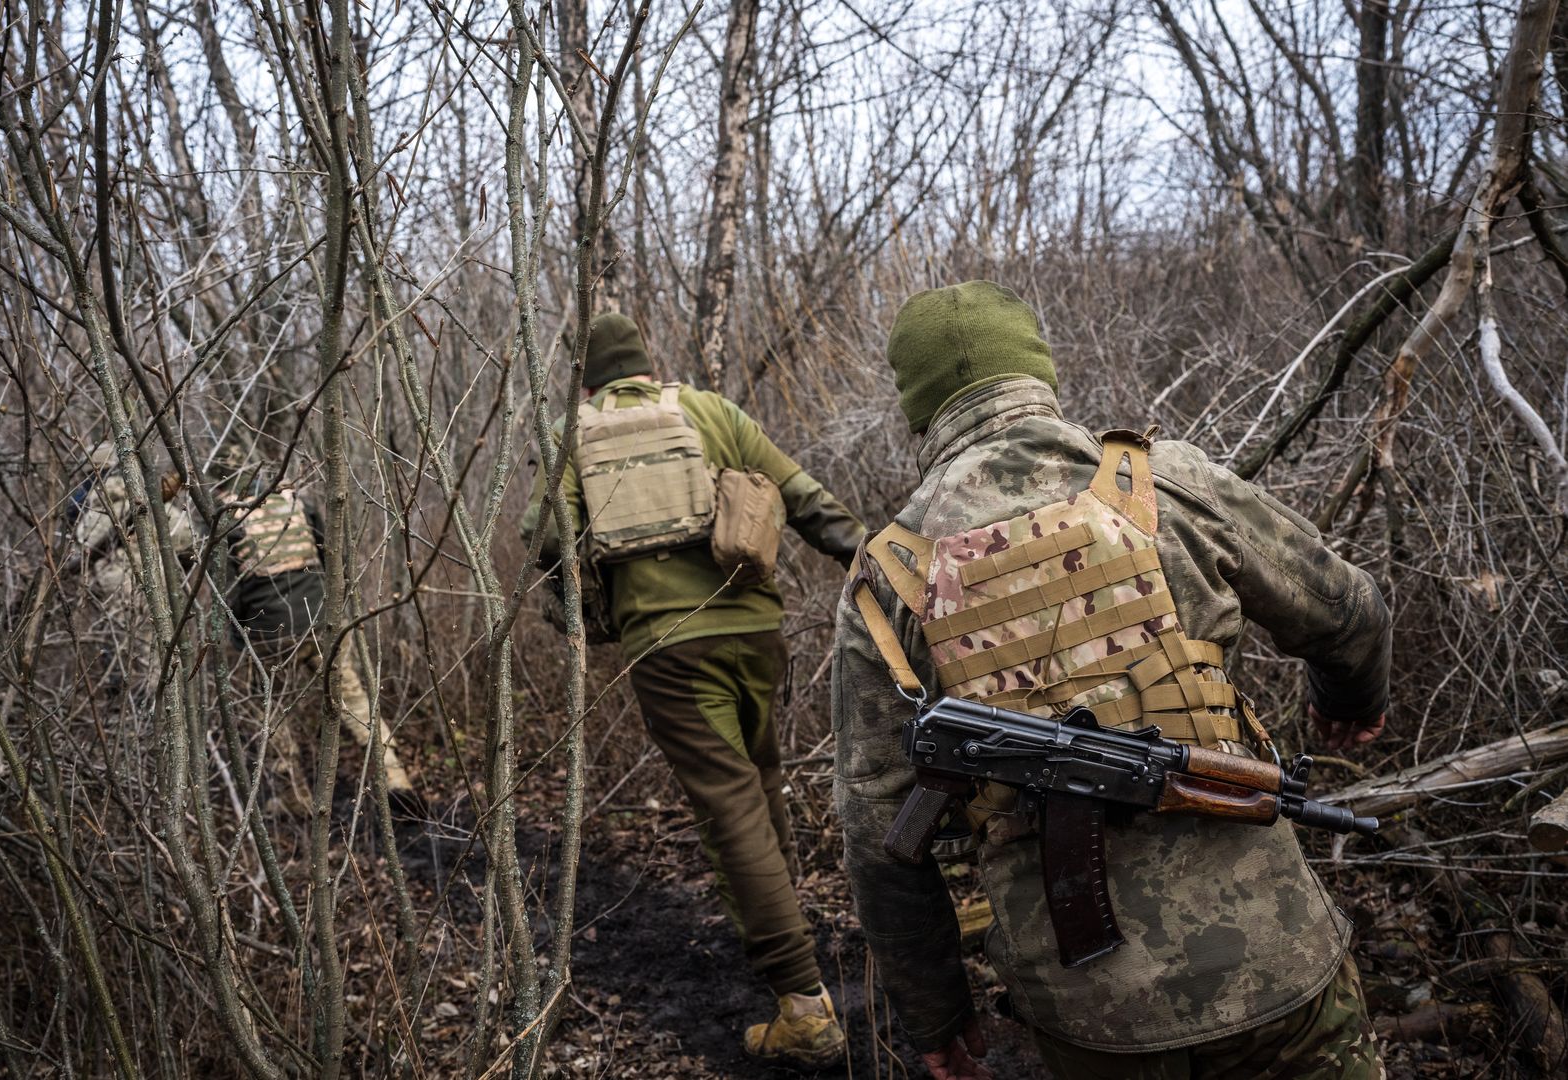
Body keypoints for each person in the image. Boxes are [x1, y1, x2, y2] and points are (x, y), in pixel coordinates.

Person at [833, 281, 1391, 1079]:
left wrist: (937, 1014)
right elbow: (1352, 612)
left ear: (917, 408)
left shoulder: (887, 573)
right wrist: (1347, 701)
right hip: (1278, 967)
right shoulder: (1162, 482)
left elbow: (877, 833)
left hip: (1090, 1019)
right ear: (1040, 371)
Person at [520, 313, 867, 1068]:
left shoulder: (572, 434)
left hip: (670, 648)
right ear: (649, 364)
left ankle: (802, 1004)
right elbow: (807, 500)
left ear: (585, 380)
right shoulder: (708, 410)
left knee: (729, 804)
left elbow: (547, 539)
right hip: (755, 632)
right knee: (762, 781)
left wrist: (581, 597)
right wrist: (880, 571)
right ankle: (793, 941)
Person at [211, 447, 420, 818]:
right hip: (322, 619)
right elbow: (329, 554)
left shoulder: (227, 516)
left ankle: (295, 797)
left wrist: (236, 635)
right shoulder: (293, 500)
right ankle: (395, 777)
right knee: (355, 700)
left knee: (273, 714)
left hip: (269, 630)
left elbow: (229, 588)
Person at [66, 440, 194, 696]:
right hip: (155, 584)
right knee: (155, 654)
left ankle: (122, 704)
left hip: (111, 590)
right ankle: (159, 710)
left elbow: (81, 549)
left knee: (119, 648)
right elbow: (186, 538)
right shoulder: (149, 500)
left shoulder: (94, 506)